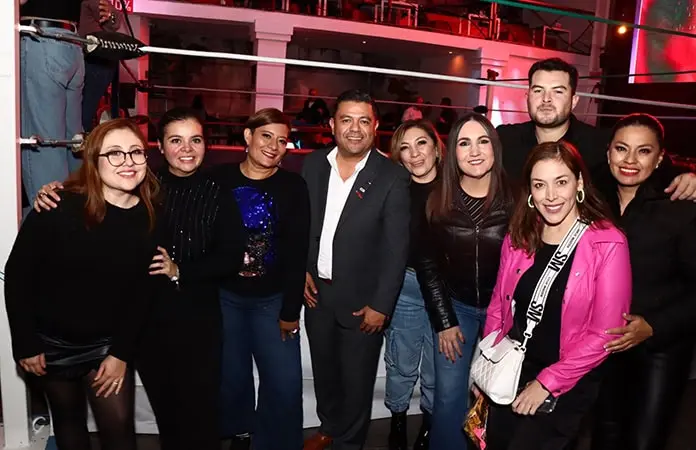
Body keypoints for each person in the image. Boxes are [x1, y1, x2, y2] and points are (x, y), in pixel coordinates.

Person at [33, 109, 247, 450]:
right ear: (160, 147)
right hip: (144, 323)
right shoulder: (142, 184)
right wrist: (56, 189)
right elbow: (95, 192)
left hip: (197, 323)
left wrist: (180, 270)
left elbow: (231, 257)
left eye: (195, 140)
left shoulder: (218, 191)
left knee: (200, 415)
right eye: (176, 140)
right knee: (166, 414)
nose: (187, 149)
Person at [5, 119, 159, 450]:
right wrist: (25, 342)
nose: (128, 162)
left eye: (136, 152)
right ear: (93, 159)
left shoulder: (150, 215)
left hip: (106, 344)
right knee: (69, 426)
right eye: (114, 153)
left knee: (120, 433)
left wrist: (120, 353)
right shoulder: (58, 206)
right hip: (52, 344)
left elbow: (142, 293)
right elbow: (18, 275)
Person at [481, 141, 632, 450]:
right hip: (512, 366)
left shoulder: (607, 243)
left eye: (561, 182)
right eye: (540, 185)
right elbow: (499, 305)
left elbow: (606, 333)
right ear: (530, 191)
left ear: (579, 183)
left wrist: (547, 382)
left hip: (570, 374)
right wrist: (487, 363)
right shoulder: (520, 236)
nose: (550, 196)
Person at [302, 89, 411, 450]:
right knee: (324, 373)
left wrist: (381, 305)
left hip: (362, 303)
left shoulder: (392, 177)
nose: (354, 128)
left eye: (364, 121)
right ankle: (329, 427)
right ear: (332, 124)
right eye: (346, 119)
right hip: (317, 295)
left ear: (375, 126)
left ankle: (349, 443)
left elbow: (396, 250)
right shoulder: (313, 165)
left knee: (356, 381)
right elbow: (303, 225)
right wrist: (301, 270)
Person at [591, 114, 696, 450]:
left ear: (660, 157)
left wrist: (654, 326)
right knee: (605, 437)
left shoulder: (680, 206)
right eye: (622, 149)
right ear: (608, 152)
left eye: (644, 151)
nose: (631, 160)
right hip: (606, 343)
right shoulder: (593, 199)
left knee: (644, 442)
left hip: (662, 349)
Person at [215, 108, 310, 450]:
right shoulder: (219, 179)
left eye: (282, 140)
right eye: (266, 136)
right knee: (231, 376)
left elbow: (297, 252)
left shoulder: (293, 186)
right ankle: (240, 433)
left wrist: (290, 311)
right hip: (225, 298)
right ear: (248, 136)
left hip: (272, 302)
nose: (273, 146)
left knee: (284, 384)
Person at [417, 114, 512, 450]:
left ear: (495, 148)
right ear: (453, 152)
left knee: (502, 395)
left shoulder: (517, 198)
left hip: (504, 313)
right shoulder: (436, 200)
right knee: (448, 397)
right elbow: (427, 265)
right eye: (464, 143)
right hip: (456, 309)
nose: (474, 151)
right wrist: (444, 322)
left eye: (483, 141)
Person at [496, 57, 696, 199]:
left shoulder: (600, 144)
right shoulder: (505, 138)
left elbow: (656, 165)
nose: (546, 99)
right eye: (538, 90)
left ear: (574, 100)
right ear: (527, 97)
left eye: (558, 92)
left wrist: (687, 179)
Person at [385, 119, 442, 450]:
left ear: (435, 147)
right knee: (401, 362)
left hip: (446, 291)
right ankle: (397, 423)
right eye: (405, 148)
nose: (415, 153)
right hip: (406, 285)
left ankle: (428, 427)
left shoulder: (457, 187)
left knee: (437, 367)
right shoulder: (396, 189)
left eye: (421, 143)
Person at [20, 0, 85, 204]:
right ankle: (75, 215)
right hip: (72, 40)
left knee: (45, 144)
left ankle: (53, 220)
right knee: (73, 143)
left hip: (43, 38)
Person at [79, 0, 123, 133]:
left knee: (83, 115)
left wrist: (111, 15)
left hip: (94, 59)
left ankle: (82, 140)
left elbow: (112, 22)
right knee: (82, 113)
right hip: (91, 58)